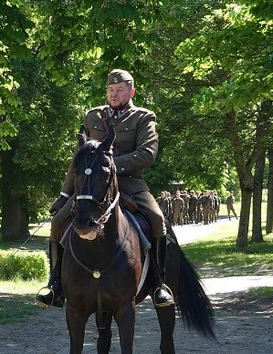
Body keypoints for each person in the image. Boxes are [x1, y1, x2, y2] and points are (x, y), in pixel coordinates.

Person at [37, 68, 174, 308]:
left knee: (156, 217)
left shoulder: (143, 117)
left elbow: (148, 154)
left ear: (131, 91)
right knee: (59, 220)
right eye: (111, 90)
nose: (114, 94)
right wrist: (64, 194)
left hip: (129, 181)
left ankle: (158, 283)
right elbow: (79, 159)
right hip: (91, 185)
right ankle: (55, 285)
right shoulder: (92, 116)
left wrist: (108, 166)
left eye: (119, 90)